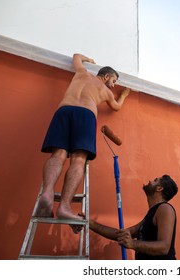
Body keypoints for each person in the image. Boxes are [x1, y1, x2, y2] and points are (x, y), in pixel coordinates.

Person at [35, 53, 130, 224]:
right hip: (85, 114)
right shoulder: (106, 91)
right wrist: (123, 96)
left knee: (57, 155)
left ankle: (47, 194)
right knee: (78, 160)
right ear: (106, 76)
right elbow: (116, 107)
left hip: (63, 111)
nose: (114, 85)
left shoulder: (81, 73)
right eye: (114, 81)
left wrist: (89, 60)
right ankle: (64, 207)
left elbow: (76, 56)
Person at [89, 175, 178, 260]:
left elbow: (164, 247)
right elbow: (121, 234)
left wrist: (133, 244)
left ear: (159, 188)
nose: (150, 181)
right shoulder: (150, 215)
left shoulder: (165, 208)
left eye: (155, 180)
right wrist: (90, 223)